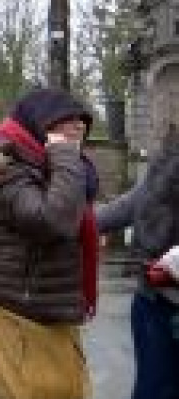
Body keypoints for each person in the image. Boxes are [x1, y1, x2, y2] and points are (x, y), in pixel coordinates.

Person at [0, 88, 98, 399]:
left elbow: (76, 217)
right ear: (40, 125)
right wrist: (66, 154)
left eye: (82, 122)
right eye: (69, 121)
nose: (78, 128)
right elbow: (53, 221)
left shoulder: (48, 169)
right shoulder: (3, 171)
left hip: (25, 319)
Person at [95, 129, 179, 399]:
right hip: (155, 298)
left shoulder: (165, 163)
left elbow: (125, 207)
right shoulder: (166, 166)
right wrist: (80, 224)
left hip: (155, 296)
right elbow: (126, 207)